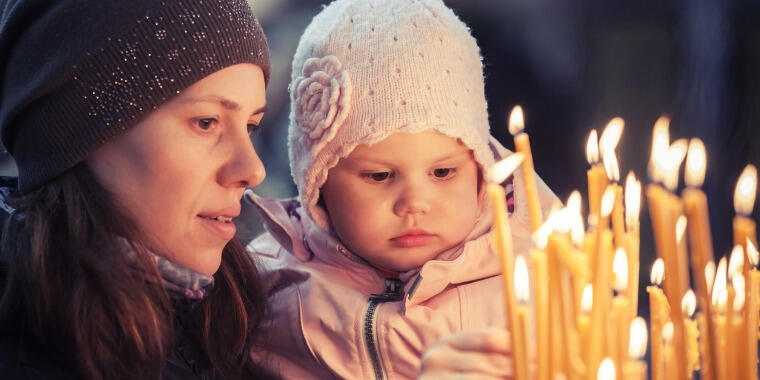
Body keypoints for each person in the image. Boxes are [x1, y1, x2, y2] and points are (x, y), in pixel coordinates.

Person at [245, 0, 557, 378]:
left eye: (443, 172)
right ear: (318, 185)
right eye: (379, 176)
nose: (415, 204)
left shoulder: (532, 279)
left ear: (480, 169)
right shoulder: (268, 288)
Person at [0, 0, 278, 378]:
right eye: (206, 122)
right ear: (82, 136)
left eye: (250, 127)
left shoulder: (250, 323)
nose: (253, 170)